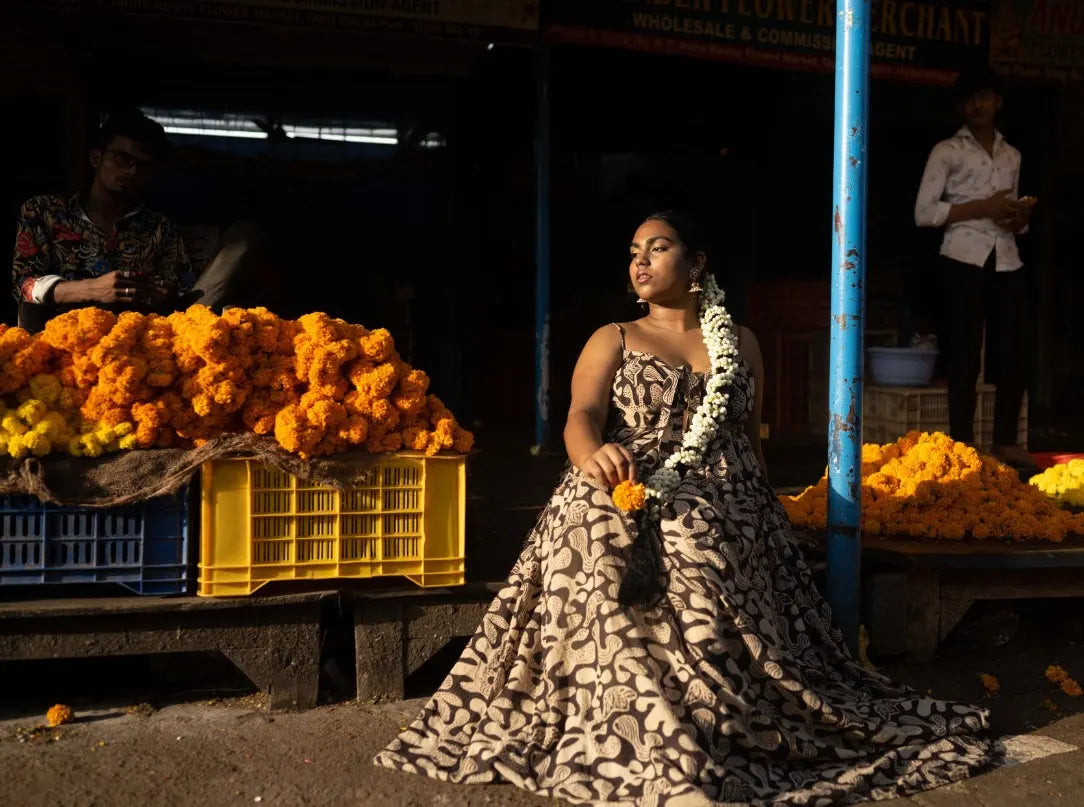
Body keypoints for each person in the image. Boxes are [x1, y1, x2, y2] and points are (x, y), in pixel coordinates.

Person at [374, 211, 997, 805]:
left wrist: (767, 512)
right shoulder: (612, 337)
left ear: (697, 262)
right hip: (619, 474)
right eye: (633, 254)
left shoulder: (742, 344)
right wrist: (591, 457)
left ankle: (695, 730)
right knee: (598, 541)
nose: (640, 262)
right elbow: (580, 417)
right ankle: (632, 725)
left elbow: (748, 440)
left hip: (721, 487)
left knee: (694, 547)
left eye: (657, 248)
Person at [914, 68, 1035, 468]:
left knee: (1013, 350)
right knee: (964, 353)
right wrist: (983, 207)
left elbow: (1016, 218)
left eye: (985, 96)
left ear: (998, 100)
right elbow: (924, 213)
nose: (978, 105)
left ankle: (1005, 441)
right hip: (962, 256)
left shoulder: (1011, 154)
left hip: (1007, 256)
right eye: (970, 99)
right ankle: (963, 443)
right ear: (960, 107)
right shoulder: (946, 151)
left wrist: (1018, 216)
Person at [11, 108, 198, 331]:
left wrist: (163, 295)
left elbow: (183, 294)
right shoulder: (44, 212)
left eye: (143, 165)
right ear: (96, 158)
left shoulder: (160, 228)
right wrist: (91, 289)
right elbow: (23, 285)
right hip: (59, 345)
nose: (131, 171)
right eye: (122, 158)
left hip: (136, 346)